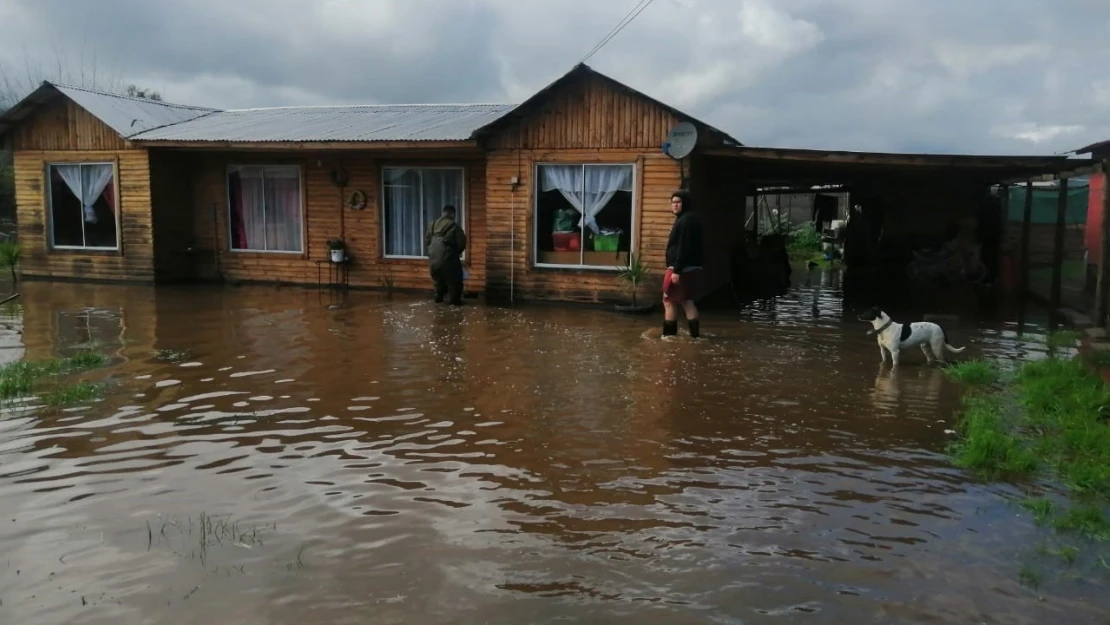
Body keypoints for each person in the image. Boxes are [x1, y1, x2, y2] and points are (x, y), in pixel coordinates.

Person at [662, 190, 704, 338]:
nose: (675, 205)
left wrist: (677, 270)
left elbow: (684, 246)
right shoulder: (686, 219)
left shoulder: (686, 220)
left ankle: (669, 337)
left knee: (669, 300)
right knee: (685, 301)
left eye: (678, 202)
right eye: (673, 202)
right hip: (686, 267)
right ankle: (694, 337)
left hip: (681, 268)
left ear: (685, 203)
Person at [424, 205, 467, 305]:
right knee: (455, 284)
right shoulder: (454, 226)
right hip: (449, 261)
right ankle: (455, 308)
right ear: (452, 214)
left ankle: (437, 302)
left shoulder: (432, 225)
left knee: (437, 283)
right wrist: (455, 254)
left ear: (443, 213)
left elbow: (427, 242)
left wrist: (432, 255)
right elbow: (461, 244)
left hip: (434, 262)